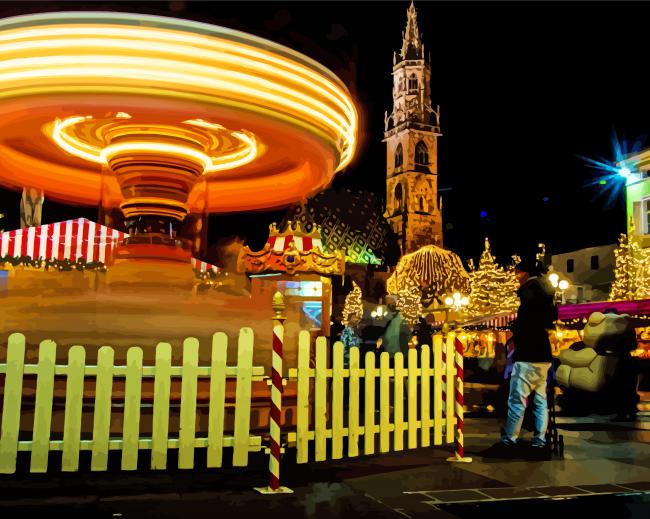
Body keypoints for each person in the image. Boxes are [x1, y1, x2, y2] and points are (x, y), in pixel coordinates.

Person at [484, 258, 556, 459]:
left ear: (525, 273)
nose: (515, 276)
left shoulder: (529, 293)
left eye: (517, 272)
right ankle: (540, 441)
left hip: (528, 353)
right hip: (543, 353)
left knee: (517, 399)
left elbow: (526, 323)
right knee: (540, 400)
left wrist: (515, 328)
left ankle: (510, 440)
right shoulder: (546, 294)